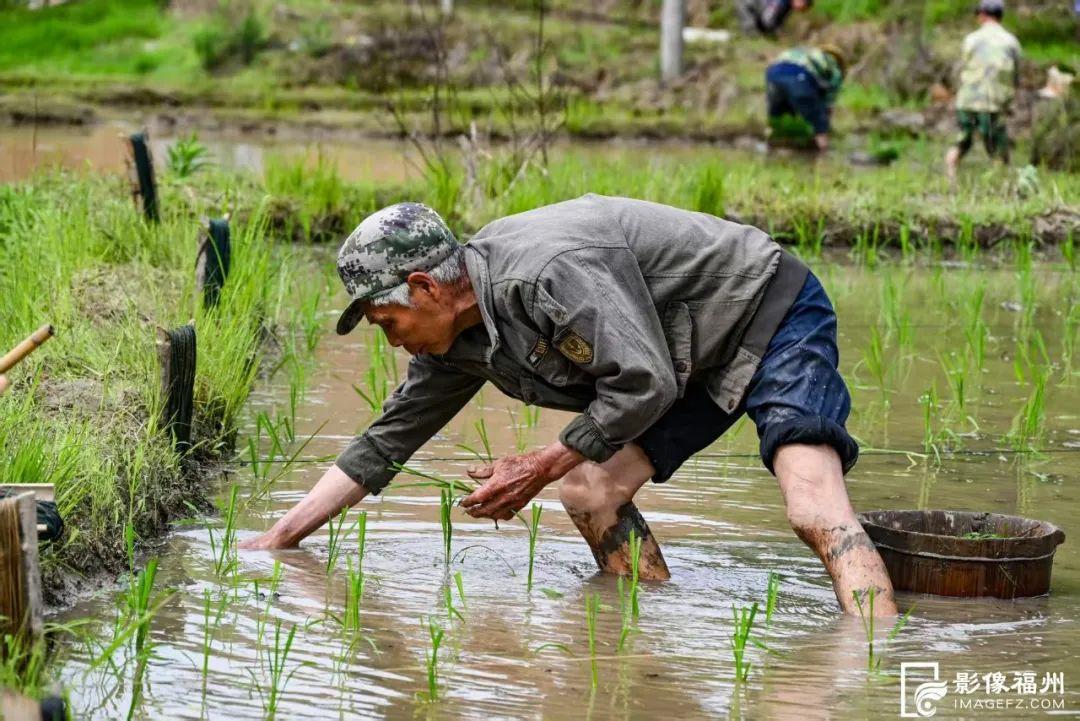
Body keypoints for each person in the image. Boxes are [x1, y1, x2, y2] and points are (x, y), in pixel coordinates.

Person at [240, 197, 898, 617]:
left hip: (764, 311)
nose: (392, 339)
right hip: (681, 357)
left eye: (388, 322)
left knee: (810, 501)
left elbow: (642, 383)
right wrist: (275, 541)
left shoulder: (546, 272)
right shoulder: (455, 339)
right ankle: (643, 628)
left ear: (422, 287)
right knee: (590, 489)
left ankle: (875, 656)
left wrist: (540, 463)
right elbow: (384, 442)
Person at [945, 0, 1022, 182]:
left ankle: (950, 178)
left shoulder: (971, 39)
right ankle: (997, 183)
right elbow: (1015, 76)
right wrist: (1009, 101)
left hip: (967, 100)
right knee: (998, 150)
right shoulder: (1011, 42)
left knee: (963, 141)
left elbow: (962, 68)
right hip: (992, 102)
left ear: (982, 15)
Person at [765, 44, 847, 151]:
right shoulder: (834, 68)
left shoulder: (804, 52)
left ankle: (771, 148)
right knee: (819, 121)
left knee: (778, 118)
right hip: (798, 75)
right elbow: (828, 103)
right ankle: (823, 153)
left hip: (773, 73)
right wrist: (824, 125)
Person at [737, 0, 813, 37]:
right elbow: (767, 18)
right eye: (802, 8)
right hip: (749, 5)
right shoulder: (781, 2)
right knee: (751, 30)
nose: (801, 11)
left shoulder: (788, 5)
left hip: (759, 12)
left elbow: (779, 20)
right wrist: (776, 31)